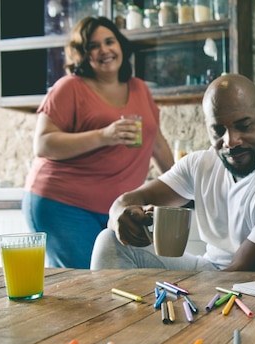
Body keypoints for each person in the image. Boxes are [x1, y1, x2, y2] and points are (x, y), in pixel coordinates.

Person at [90, 73, 255, 271]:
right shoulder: (200, 164)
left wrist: (181, 291)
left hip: (253, 284)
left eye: (243, 126)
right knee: (109, 240)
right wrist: (121, 217)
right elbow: (127, 200)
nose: (231, 141)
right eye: (218, 130)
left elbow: (240, 272)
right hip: (209, 271)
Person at [22, 16, 174, 269]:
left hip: (116, 208)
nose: (104, 50)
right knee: (86, 286)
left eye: (109, 41)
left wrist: (185, 188)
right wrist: (105, 135)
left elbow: (157, 144)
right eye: (93, 45)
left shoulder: (139, 89)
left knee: (117, 281)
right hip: (62, 203)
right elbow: (44, 144)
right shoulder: (69, 87)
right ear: (83, 53)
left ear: (121, 46)